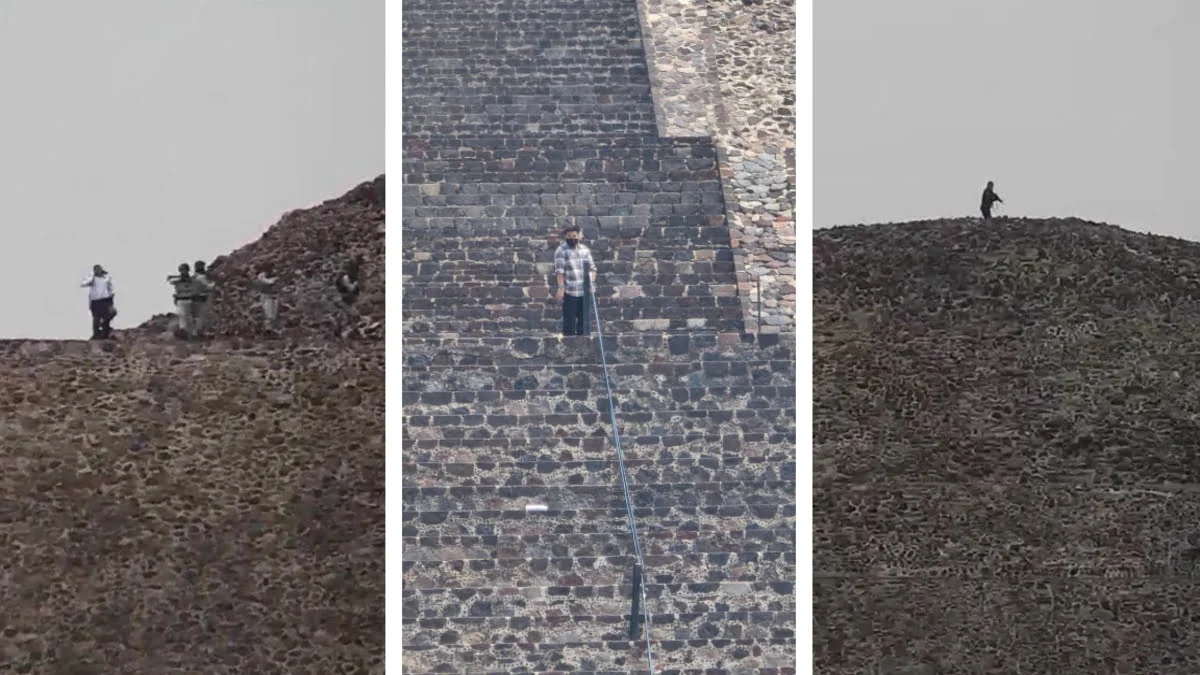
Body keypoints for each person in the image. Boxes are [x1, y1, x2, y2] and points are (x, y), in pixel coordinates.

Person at [554, 226, 596, 336]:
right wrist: (561, 288)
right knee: (569, 324)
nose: (572, 238)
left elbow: (592, 269)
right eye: (569, 236)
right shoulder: (561, 250)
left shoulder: (584, 250)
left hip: (584, 292)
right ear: (565, 237)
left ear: (579, 236)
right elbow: (560, 272)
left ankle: (584, 344)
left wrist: (591, 283)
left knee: (584, 324)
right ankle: (569, 344)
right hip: (570, 291)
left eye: (574, 236)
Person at [80, 264, 116, 340]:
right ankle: (96, 334)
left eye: (99, 270)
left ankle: (105, 327)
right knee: (96, 318)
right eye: (96, 270)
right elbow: (83, 284)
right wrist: (92, 277)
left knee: (111, 313)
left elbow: (111, 288)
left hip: (105, 300)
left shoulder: (106, 278)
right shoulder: (92, 279)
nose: (98, 271)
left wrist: (111, 296)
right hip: (95, 301)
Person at [332, 257, 362, 337]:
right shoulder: (346, 278)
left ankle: (340, 331)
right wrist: (355, 284)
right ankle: (352, 331)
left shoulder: (351, 277)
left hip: (348, 301)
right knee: (353, 315)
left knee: (345, 315)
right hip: (343, 299)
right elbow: (350, 288)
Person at [167, 263, 198, 339]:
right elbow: (170, 280)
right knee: (183, 317)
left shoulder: (192, 280)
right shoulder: (178, 280)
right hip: (181, 300)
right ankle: (184, 332)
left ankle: (193, 333)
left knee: (190, 317)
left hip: (190, 299)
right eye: (182, 270)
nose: (183, 271)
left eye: (184, 270)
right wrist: (180, 278)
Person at [254, 264, 280, 331]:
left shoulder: (271, 276)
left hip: (272, 296)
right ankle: (268, 329)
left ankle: (270, 328)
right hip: (266, 297)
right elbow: (268, 282)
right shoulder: (261, 278)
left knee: (272, 314)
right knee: (269, 314)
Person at [192, 260, 215, 337]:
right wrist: (215, 282)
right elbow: (209, 286)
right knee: (202, 316)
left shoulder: (194, 277)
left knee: (197, 316)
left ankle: (196, 332)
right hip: (202, 298)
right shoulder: (201, 277)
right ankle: (199, 332)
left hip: (195, 298)